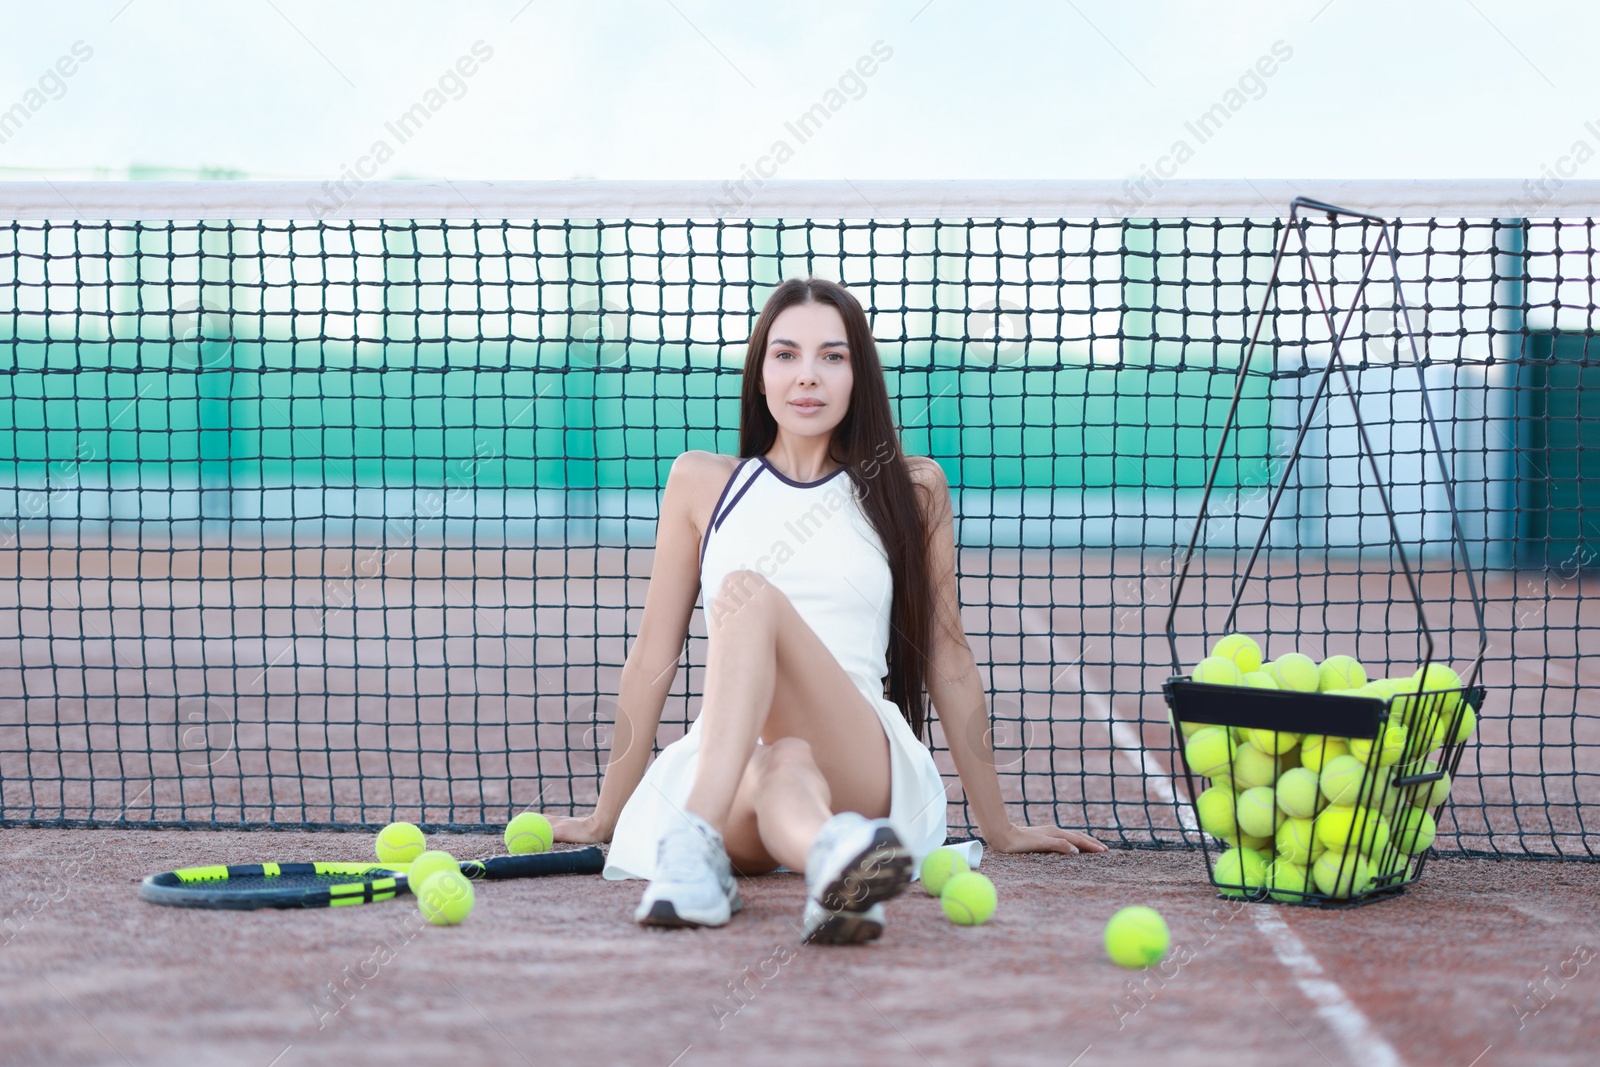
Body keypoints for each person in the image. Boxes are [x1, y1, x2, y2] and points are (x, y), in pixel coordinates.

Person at [550, 277, 1104, 944]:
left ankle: (692, 846)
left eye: (831, 356)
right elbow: (652, 654)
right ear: (759, 374)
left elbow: (949, 656)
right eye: (785, 355)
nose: (806, 376)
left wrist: (1000, 825)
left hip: (860, 752)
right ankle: (834, 856)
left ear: (857, 373)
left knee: (747, 595)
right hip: (725, 768)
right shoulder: (700, 482)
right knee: (781, 763)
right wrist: (605, 814)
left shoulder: (914, 487)